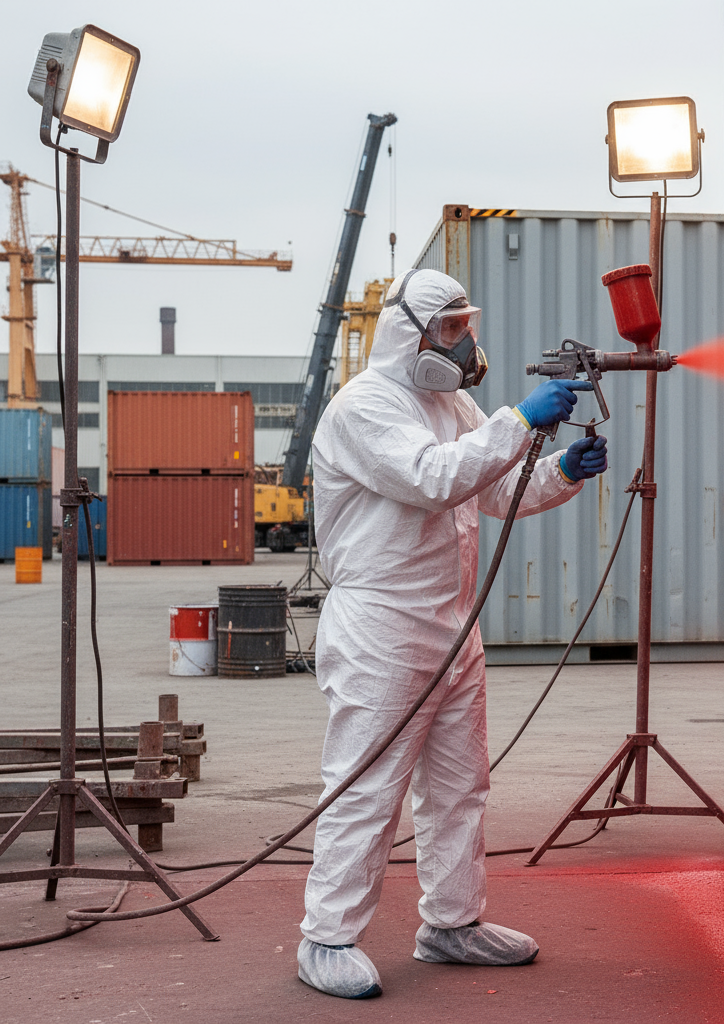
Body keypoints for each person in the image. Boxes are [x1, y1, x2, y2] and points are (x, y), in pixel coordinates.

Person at [297, 268, 608, 999]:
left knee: (459, 786)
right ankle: (326, 937)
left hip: (450, 622)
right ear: (412, 331)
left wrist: (560, 469)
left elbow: (492, 488)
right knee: (366, 787)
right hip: (382, 626)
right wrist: (522, 420)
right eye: (452, 328)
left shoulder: (451, 401)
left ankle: (452, 923)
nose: (467, 342)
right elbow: (432, 478)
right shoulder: (364, 408)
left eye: (467, 324)